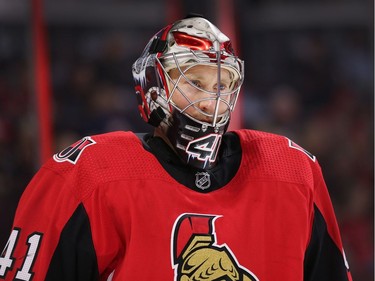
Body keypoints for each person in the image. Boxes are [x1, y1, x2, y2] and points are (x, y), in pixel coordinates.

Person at [1, 16, 352, 281]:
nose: (211, 99)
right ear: (152, 88)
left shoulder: (293, 172)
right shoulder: (91, 173)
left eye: (222, 84)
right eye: (195, 82)